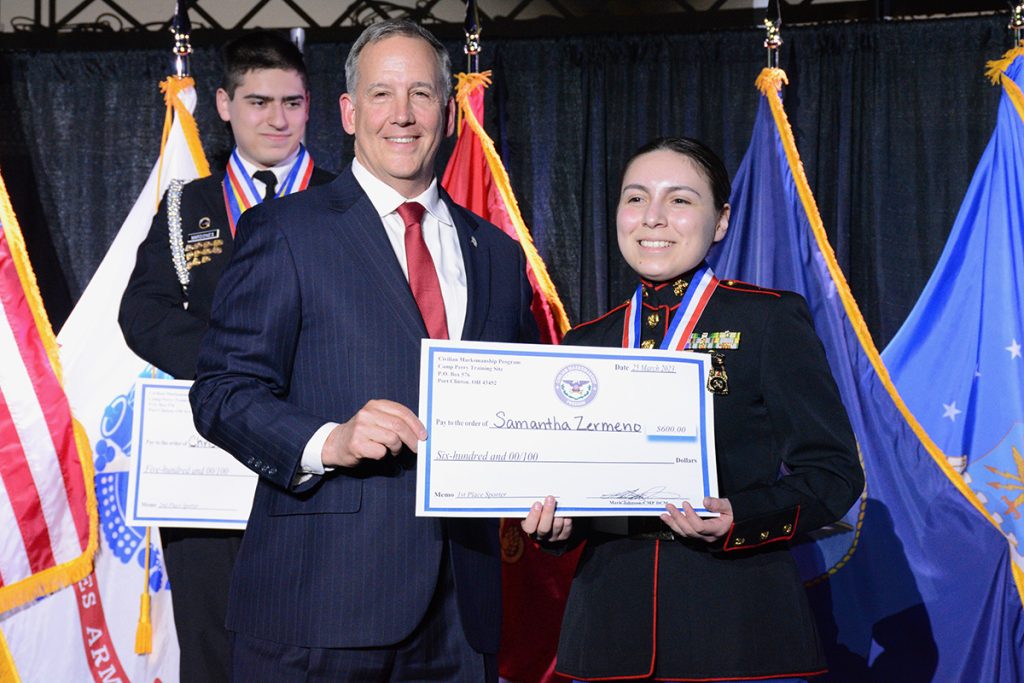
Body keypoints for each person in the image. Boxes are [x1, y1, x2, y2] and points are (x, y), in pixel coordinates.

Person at [189, 19, 538, 682]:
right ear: (349, 112)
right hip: (320, 609)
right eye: (381, 94)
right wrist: (330, 439)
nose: (402, 115)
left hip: (463, 616)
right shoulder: (285, 231)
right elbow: (222, 393)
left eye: (421, 95)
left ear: (449, 110)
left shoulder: (497, 254)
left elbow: (514, 410)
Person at [523, 137, 865, 682]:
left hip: (738, 633)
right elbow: (578, 491)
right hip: (608, 639)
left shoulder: (768, 321)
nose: (652, 218)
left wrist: (741, 518)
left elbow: (833, 474)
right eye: (635, 199)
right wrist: (554, 527)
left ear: (721, 220)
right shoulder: (585, 342)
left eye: (679, 200)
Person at [118, 30, 334, 683]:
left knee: (317, 647)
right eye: (258, 101)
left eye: (291, 103)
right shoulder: (189, 207)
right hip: (206, 469)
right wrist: (238, 362)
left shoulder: (344, 200)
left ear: (310, 106)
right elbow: (143, 312)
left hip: (312, 462)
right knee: (212, 651)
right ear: (223, 103)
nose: (276, 118)